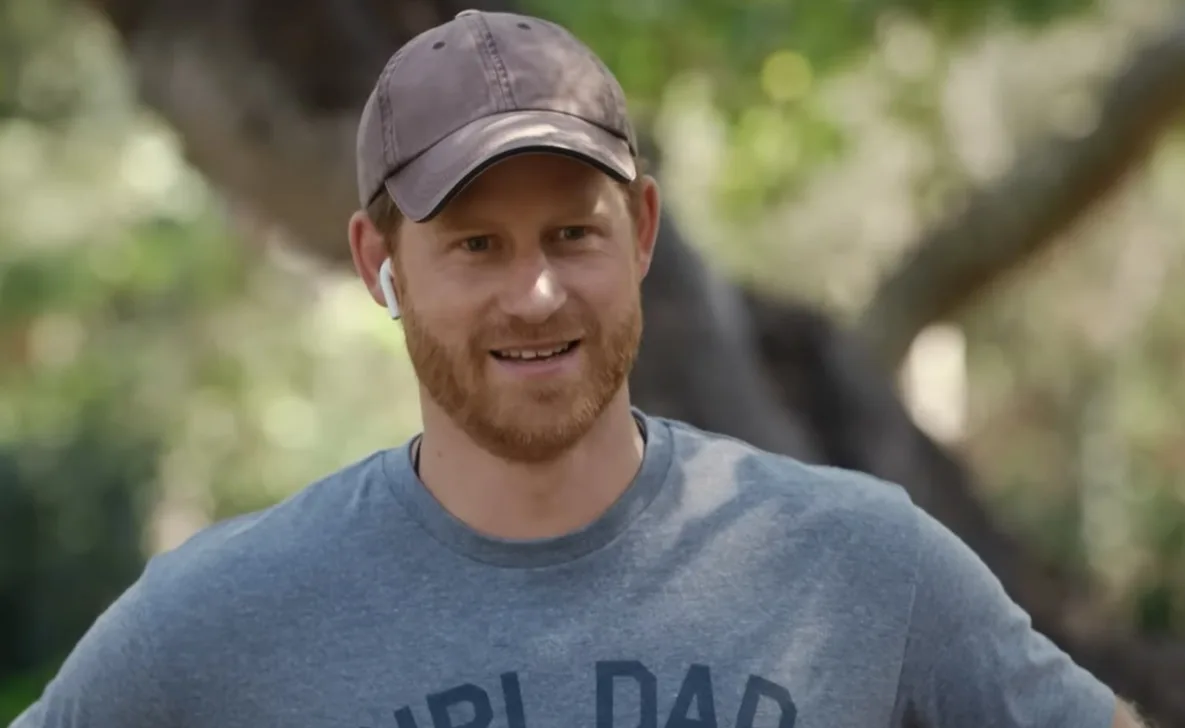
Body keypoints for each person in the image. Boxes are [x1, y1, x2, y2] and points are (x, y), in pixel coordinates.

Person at [11, 9, 1149, 728]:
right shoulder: (221, 618)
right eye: (474, 244)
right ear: (378, 261)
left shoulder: (862, 562)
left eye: (573, 233)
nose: (538, 292)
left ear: (644, 232)